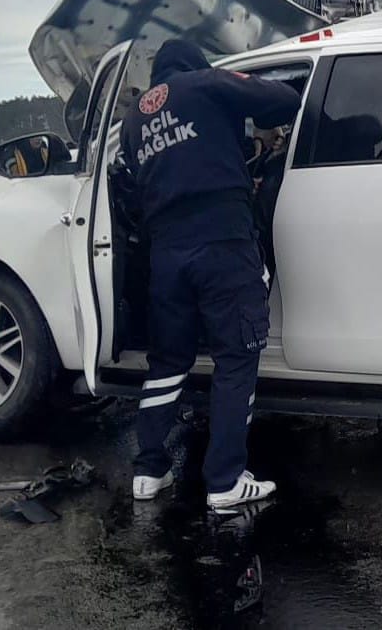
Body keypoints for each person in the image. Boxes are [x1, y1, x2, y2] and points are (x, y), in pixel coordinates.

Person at [120, 39, 301, 511]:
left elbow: (145, 176)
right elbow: (284, 100)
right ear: (195, 63)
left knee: (168, 363)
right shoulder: (206, 83)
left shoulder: (134, 119)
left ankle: (148, 470)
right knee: (236, 358)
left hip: (166, 253)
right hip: (222, 241)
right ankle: (224, 481)